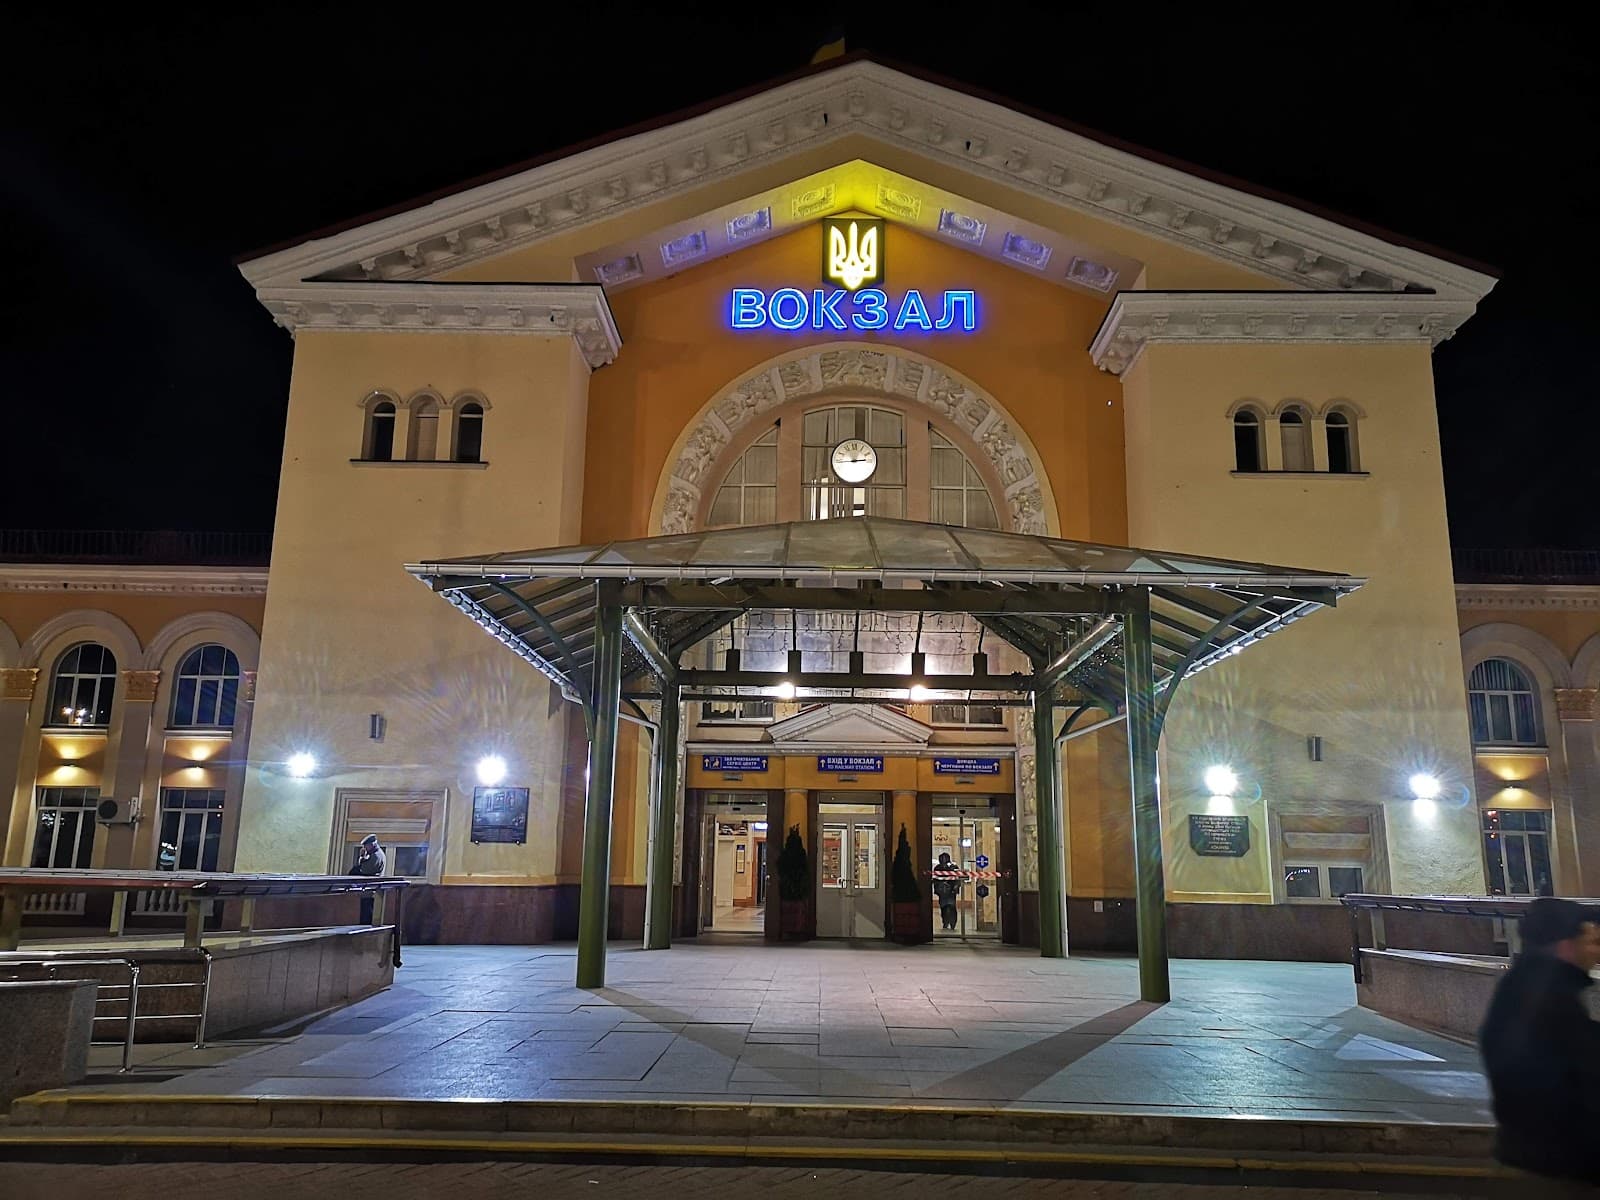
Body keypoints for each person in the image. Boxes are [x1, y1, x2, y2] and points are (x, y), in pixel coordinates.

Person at [1478, 896, 1600, 1187]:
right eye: (1592, 942)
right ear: (1566, 945)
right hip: (1555, 1165)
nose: (1597, 952)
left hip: (1536, 1156)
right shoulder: (1548, 998)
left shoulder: (1529, 986)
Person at [349, 834, 385, 924]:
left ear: (372, 844)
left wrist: (361, 858)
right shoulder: (375, 854)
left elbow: (365, 870)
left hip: (369, 889)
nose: (365, 848)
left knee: (366, 913)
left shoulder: (376, 856)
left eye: (366, 846)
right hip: (369, 889)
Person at [932, 852, 961, 931]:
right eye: (942, 859)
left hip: (951, 891)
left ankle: (952, 923)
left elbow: (957, 878)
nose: (943, 860)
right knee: (943, 908)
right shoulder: (937, 868)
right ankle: (945, 922)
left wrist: (956, 887)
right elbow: (935, 879)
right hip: (942, 892)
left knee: (951, 907)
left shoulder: (953, 867)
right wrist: (937, 888)